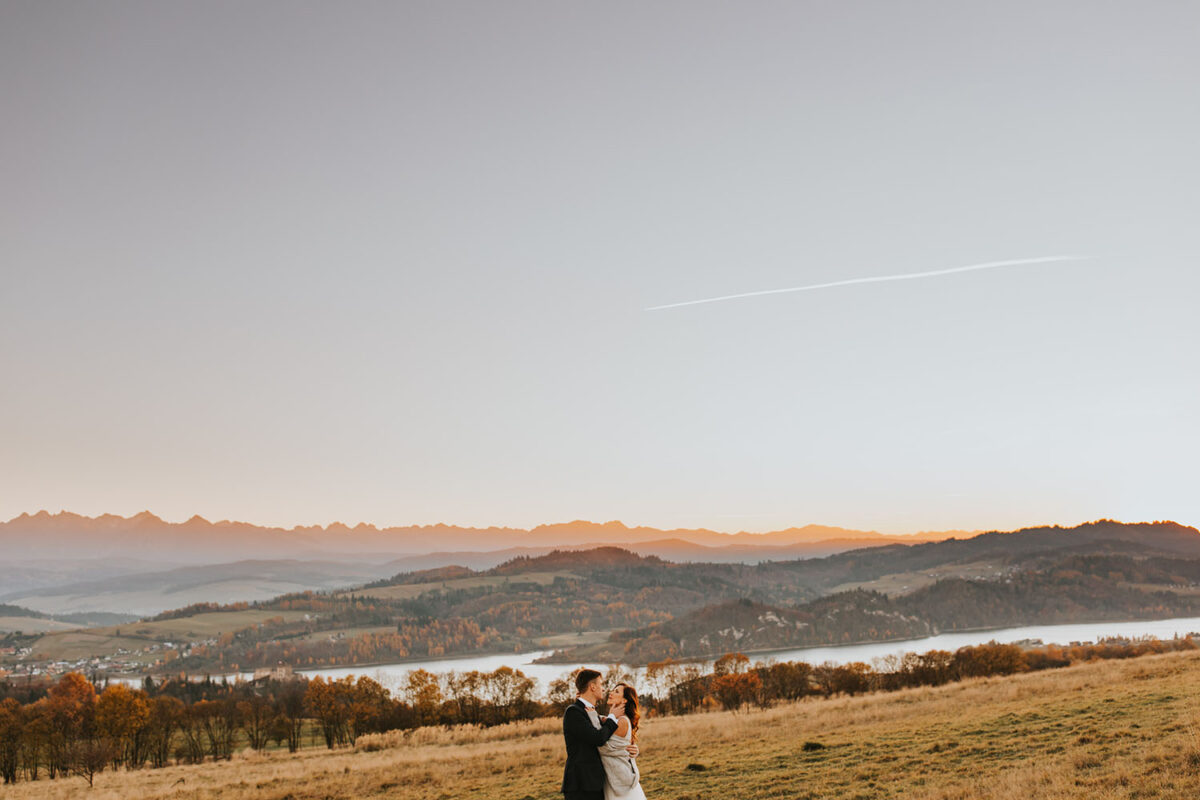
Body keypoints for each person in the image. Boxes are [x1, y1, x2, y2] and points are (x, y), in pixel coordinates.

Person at [562, 669, 638, 800]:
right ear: (592, 687)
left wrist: (630, 749)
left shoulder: (593, 714)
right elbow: (598, 738)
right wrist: (612, 717)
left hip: (597, 784)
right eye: (601, 684)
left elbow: (610, 739)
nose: (603, 689)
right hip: (581, 786)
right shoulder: (574, 712)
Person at [599, 682, 646, 800]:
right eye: (612, 690)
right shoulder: (614, 719)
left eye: (616, 692)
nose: (611, 693)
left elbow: (604, 747)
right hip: (614, 778)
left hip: (620, 781)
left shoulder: (622, 721)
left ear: (624, 700)